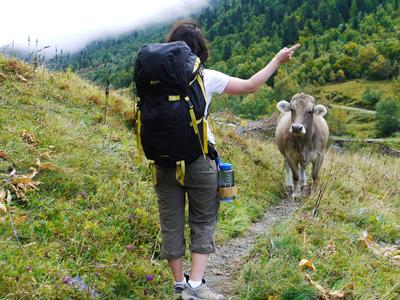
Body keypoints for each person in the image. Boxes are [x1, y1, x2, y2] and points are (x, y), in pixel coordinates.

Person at [155, 20, 299, 300]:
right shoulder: (205, 77)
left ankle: (178, 285)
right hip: (199, 158)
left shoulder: (154, 80)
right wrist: (277, 60)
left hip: (162, 160)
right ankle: (195, 286)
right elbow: (250, 86)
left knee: (170, 221)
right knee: (204, 219)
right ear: (199, 50)